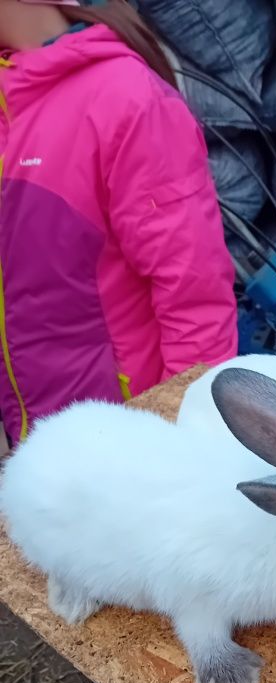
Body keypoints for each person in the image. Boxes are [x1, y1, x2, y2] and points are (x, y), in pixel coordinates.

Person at [0, 0, 238, 448]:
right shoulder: (8, 107)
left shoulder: (123, 97)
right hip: (41, 454)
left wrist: (181, 441)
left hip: (127, 452)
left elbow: (195, 298)